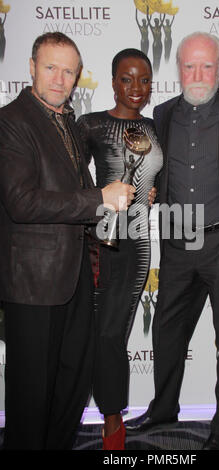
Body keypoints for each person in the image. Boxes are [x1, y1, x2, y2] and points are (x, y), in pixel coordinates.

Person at [0, 32, 134, 450]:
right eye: (50, 67)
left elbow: (78, 190)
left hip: (75, 276)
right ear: (31, 68)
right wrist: (99, 198)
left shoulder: (68, 122)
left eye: (69, 71)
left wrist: (111, 199)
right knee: (31, 397)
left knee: (71, 385)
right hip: (33, 285)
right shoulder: (12, 122)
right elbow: (22, 202)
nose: (59, 79)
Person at [125, 32, 219, 450]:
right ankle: (163, 409)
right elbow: (150, 168)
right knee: (166, 331)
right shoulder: (160, 113)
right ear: (177, 69)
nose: (197, 75)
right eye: (189, 66)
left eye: (206, 66)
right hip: (177, 239)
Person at [77, 48, 163, 450]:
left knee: (119, 331)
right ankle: (113, 422)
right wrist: (102, 198)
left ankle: (113, 416)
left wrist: (154, 192)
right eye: (127, 79)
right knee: (106, 333)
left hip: (140, 244)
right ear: (113, 82)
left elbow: (157, 177)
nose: (136, 88)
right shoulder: (91, 124)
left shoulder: (154, 127)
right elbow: (69, 180)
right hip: (103, 241)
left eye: (144, 80)